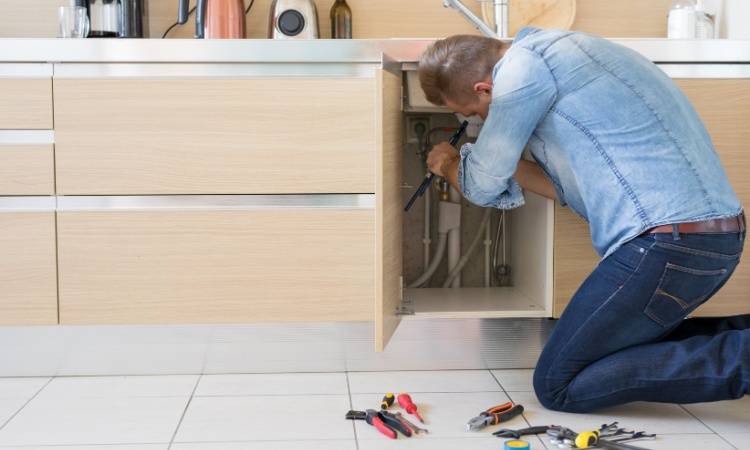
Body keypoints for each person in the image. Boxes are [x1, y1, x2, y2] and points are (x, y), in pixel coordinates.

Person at [419, 28, 748, 413]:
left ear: (484, 89)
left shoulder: (522, 71)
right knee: (606, 346)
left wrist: (451, 163)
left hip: (664, 246)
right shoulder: (570, 50)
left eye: (472, 114)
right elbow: (568, 188)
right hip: (712, 240)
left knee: (557, 384)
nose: (476, 122)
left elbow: (481, 186)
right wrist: (496, 160)